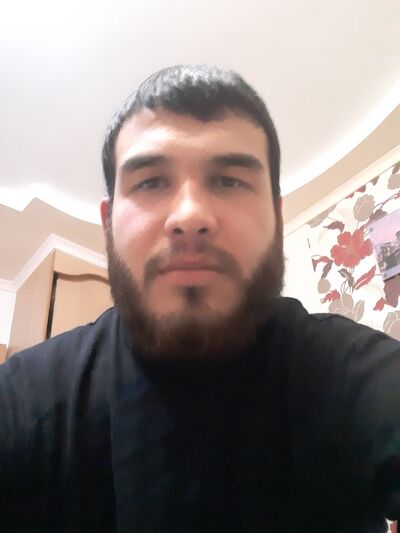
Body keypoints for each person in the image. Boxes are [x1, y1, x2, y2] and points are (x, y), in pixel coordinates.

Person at [0, 65, 399, 533]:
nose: (190, 216)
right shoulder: (25, 400)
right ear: (108, 225)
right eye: (150, 182)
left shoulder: (356, 376)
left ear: (276, 218)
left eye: (229, 180)